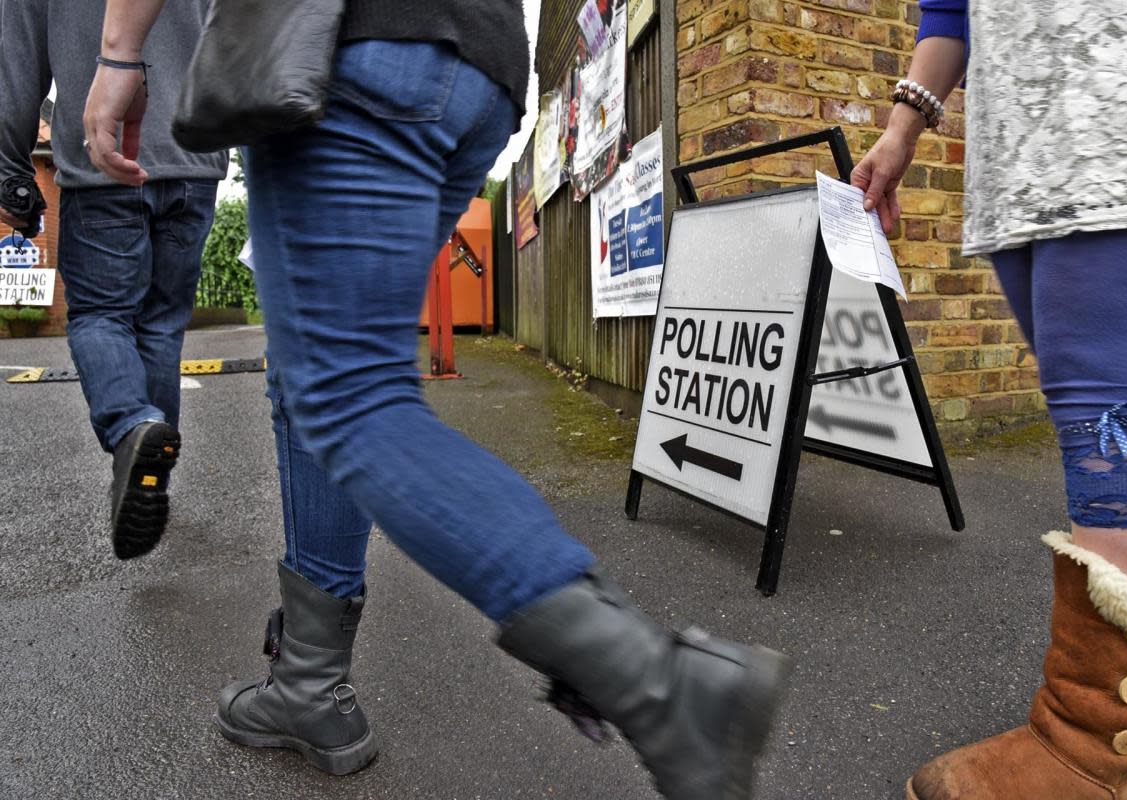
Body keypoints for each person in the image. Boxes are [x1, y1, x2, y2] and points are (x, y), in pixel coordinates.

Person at [84, 1, 793, 795]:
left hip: (352, 45)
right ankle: (309, 683)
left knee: (353, 396)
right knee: (315, 368)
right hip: (479, 68)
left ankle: (663, 688)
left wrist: (118, 55)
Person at [851, 2, 1127, 798]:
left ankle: (1090, 756)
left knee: (1118, 410)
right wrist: (902, 130)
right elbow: (950, 10)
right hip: (1023, 139)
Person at [0, 0, 227, 559]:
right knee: (162, 327)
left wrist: (10, 172)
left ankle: (133, 427)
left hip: (102, 157)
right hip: (194, 159)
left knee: (102, 316)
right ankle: (148, 479)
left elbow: (17, 62)